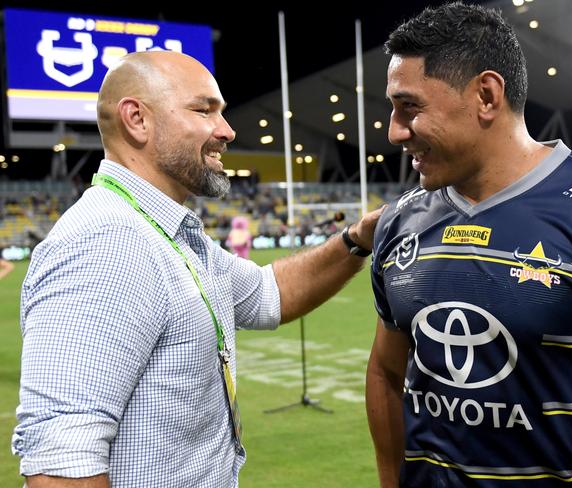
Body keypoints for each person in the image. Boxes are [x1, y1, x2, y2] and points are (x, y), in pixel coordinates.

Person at [13, 50, 381, 488]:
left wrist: (357, 239)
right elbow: (62, 463)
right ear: (137, 120)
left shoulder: (165, 230)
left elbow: (270, 293)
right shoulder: (107, 242)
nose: (226, 131)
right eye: (204, 110)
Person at [366, 3, 572, 487]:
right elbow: (385, 374)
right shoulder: (399, 223)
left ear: (487, 95)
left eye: (409, 107)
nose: (394, 131)